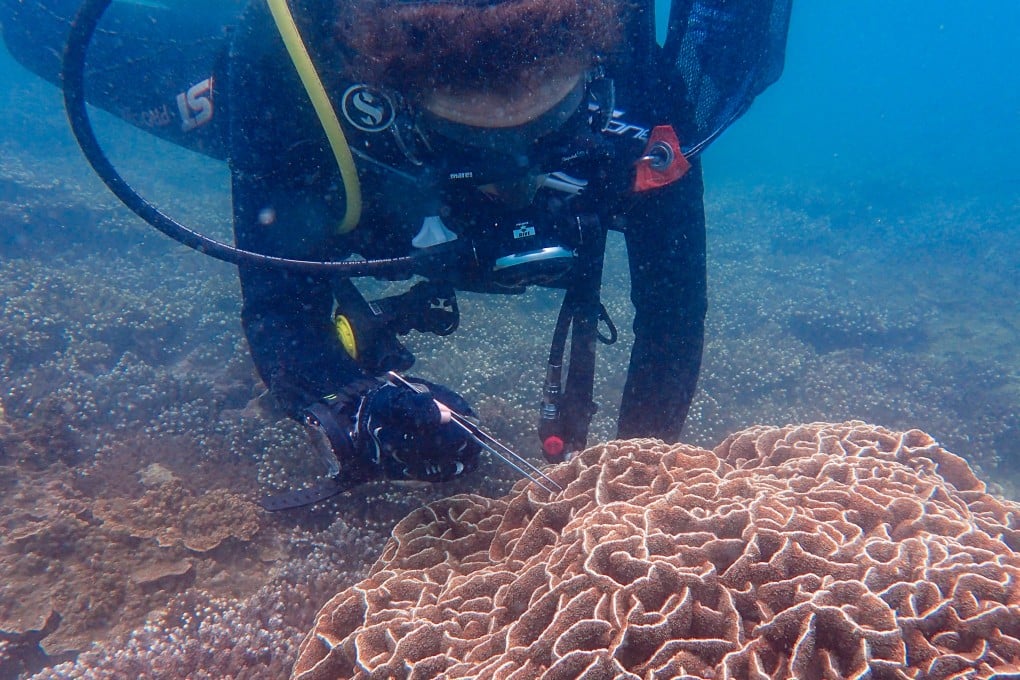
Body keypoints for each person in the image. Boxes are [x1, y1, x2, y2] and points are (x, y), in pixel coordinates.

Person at [1, 0, 792, 500]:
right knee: (35, 31)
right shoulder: (286, 64)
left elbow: (671, 321)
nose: (512, 183)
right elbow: (281, 317)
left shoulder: (642, 74)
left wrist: (636, 492)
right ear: (389, 102)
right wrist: (360, 405)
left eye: (544, 132)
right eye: (470, 141)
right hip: (282, 115)